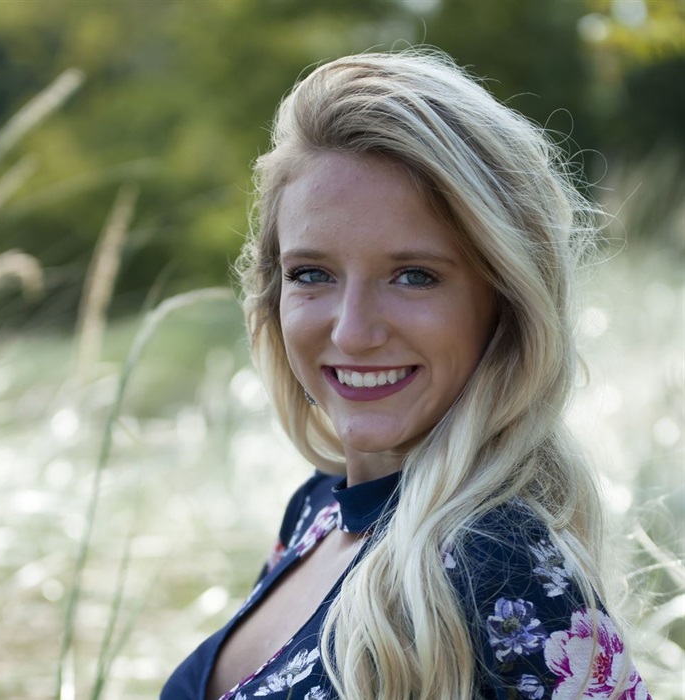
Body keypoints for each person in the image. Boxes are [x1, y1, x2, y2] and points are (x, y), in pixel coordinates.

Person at [161, 50, 651, 700]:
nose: (352, 332)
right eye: (312, 274)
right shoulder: (319, 509)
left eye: (414, 275)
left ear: (506, 301)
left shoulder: (501, 570)